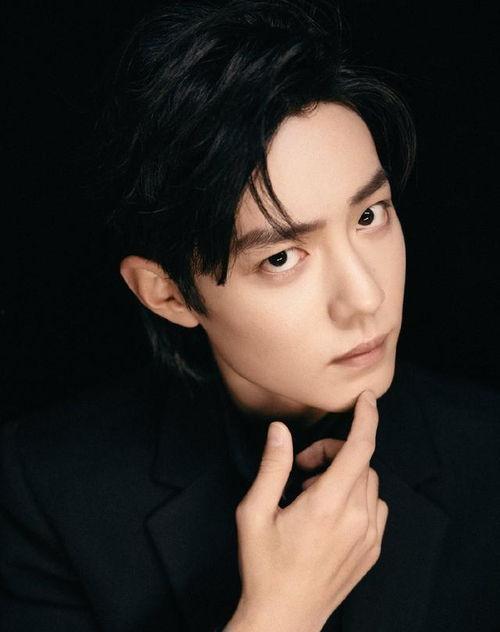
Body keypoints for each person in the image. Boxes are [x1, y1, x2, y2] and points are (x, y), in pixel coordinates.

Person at [1, 1, 499, 631]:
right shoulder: (50, 492)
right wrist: (279, 614)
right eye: (282, 257)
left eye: (370, 216)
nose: (365, 297)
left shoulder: (487, 455)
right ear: (167, 295)